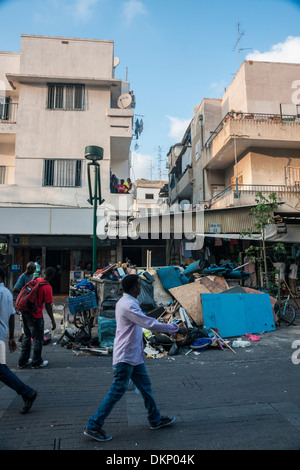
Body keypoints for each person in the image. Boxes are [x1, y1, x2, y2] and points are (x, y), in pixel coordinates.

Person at [84, 274, 187, 443]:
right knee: (117, 391)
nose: (141, 288)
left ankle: (155, 419)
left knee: (145, 387)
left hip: (134, 355)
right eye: (139, 285)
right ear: (133, 288)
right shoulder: (128, 305)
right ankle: (93, 425)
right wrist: (174, 328)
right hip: (125, 356)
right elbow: (149, 324)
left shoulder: (127, 302)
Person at [0, 268, 37, 414]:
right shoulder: (7, 293)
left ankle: (27, 392)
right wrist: (10, 338)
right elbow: (11, 315)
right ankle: (26, 392)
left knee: (1, 370)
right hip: (2, 335)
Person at [18, 267, 56, 369]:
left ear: (44, 273)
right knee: (37, 338)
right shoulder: (47, 287)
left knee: (27, 335)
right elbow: (48, 306)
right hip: (35, 315)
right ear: (52, 276)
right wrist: (53, 321)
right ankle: (36, 362)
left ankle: (23, 361)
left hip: (25, 311)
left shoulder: (35, 280)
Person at [13, 261, 36, 343]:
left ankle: (24, 337)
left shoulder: (31, 276)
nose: (34, 272)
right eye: (33, 270)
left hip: (28, 304)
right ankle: (23, 337)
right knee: (23, 321)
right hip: (22, 304)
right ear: (28, 269)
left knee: (28, 322)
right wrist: (25, 292)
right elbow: (15, 289)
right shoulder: (23, 277)